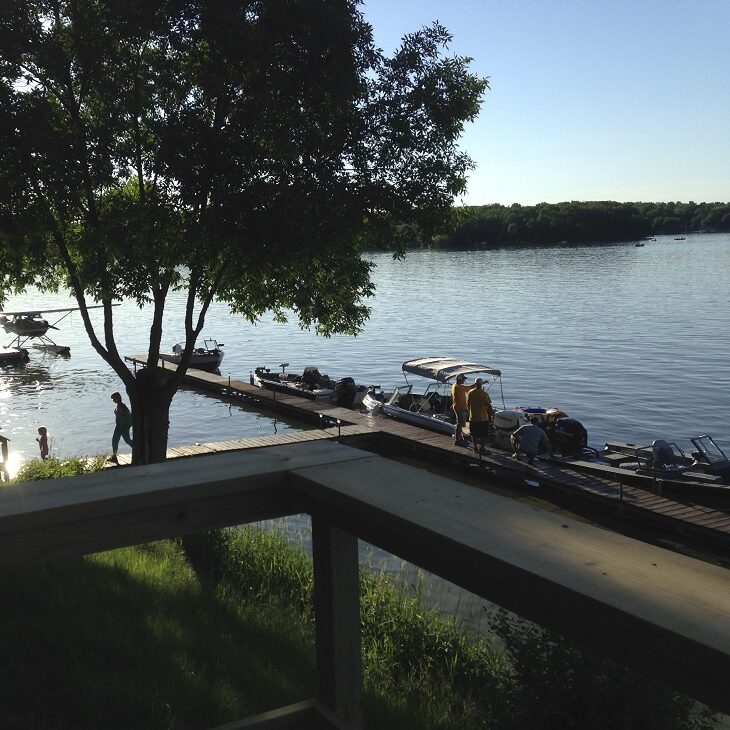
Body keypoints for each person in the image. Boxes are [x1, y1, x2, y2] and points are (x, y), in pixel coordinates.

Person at [466, 378, 494, 454]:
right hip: (483, 417)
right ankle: (482, 448)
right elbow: (488, 405)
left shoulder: (470, 392)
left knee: (473, 433)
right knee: (483, 434)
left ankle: (475, 448)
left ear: (475, 384)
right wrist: (492, 415)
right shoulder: (484, 394)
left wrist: (468, 414)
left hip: (473, 417)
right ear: (481, 385)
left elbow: (467, 404)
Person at [109, 391, 133, 463]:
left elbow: (126, 415)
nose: (113, 400)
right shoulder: (119, 405)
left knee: (127, 440)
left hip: (123, 426)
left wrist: (118, 413)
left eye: (113, 399)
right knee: (114, 440)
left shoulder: (122, 406)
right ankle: (114, 457)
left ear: (117, 398)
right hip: (119, 426)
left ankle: (138, 449)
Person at [450, 373, 474, 446]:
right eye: (463, 379)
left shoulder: (454, 385)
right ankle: (457, 440)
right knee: (460, 424)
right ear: (459, 380)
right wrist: (479, 383)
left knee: (459, 423)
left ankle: (459, 438)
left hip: (458, 406)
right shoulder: (459, 387)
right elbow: (470, 387)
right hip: (460, 407)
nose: (464, 380)